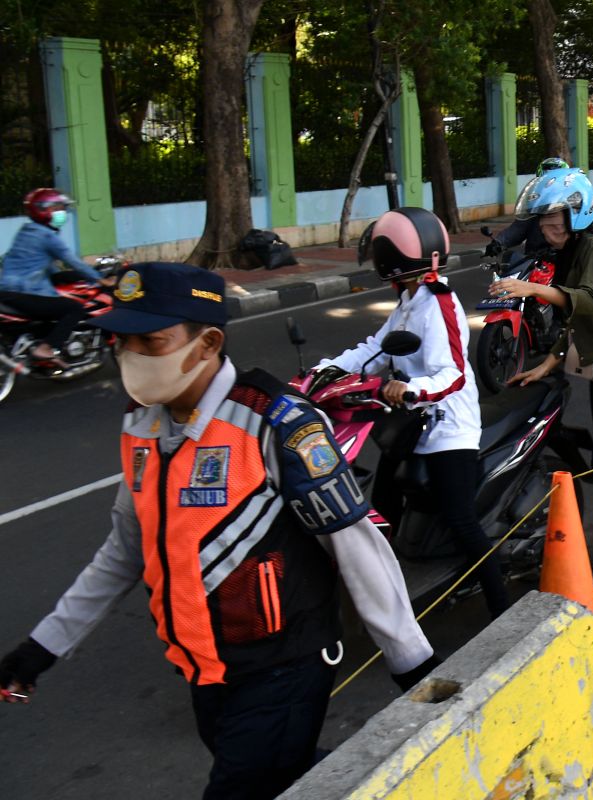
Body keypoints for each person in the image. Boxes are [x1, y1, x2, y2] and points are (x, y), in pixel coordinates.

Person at [0, 262, 437, 800]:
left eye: (151, 340)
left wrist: (412, 665)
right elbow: (125, 550)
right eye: (124, 340)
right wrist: (42, 647)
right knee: (288, 776)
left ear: (207, 342)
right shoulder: (143, 422)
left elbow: (355, 546)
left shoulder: (277, 422)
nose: (131, 355)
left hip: (283, 672)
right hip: (201, 670)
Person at [308, 208, 508, 620]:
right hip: (412, 424)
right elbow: (375, 349)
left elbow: (452, 373)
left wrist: (410, 389)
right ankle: (390, 592)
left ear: (390, 259)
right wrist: (323, 372)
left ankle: (502, 610)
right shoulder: (409, 302)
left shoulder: (440, 303)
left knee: (461, 519)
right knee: (381, 503)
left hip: (449, 426)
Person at [489, 167, 593, 592]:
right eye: (543, 220)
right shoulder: (569, 253)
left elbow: (588, 300)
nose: (546, 227)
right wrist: (549, 363)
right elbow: (573, 320)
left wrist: (532, 290)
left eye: (554, 219)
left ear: (578, 214)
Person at [0, 188, 112, 362]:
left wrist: (67, 276)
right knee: (73, 308)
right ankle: (47, 347)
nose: (62, 212)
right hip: (26, 291)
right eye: (57, 208)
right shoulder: (47, 237)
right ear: (43, 210)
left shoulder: (27, 231)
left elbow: (44, 266)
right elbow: (73, 260)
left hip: (9, 290)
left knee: (59, 291)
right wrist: (100, 279)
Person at [484, 157, 570, 258]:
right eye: (547, 180)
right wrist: (498, 243)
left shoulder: (573, 206)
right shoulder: (535, 204)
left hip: (566, 259)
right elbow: (518, 229)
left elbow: (585, 235)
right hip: (535, 260)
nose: (551, 184)